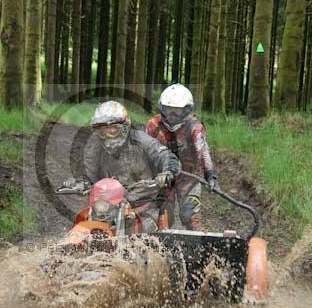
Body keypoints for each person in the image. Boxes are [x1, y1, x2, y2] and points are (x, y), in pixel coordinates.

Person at [62, 100, 181, 233]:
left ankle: (155, 250)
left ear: (124, 127)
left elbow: (166, 156)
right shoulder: (95, 149)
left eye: (113, 130)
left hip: (149, 203)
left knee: (144, 229)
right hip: (112, 203)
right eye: (102, 131)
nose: (107, 135)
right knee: (86, 217)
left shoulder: (142, 141)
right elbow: (89, 176)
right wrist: (80, 182)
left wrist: (168, 172)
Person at [146, 83, 218, 231]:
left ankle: (198, 250)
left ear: (186, 110)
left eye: (177, 111)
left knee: (189, 215)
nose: (172, 115)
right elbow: (144, 151)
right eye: (169, 109)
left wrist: (210, 175)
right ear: (162, 108)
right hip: (163, 178)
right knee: (164, 217)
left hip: (189, 178)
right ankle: (160, 250)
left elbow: (202, 151)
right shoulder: (154, 125)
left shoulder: (194, 127)